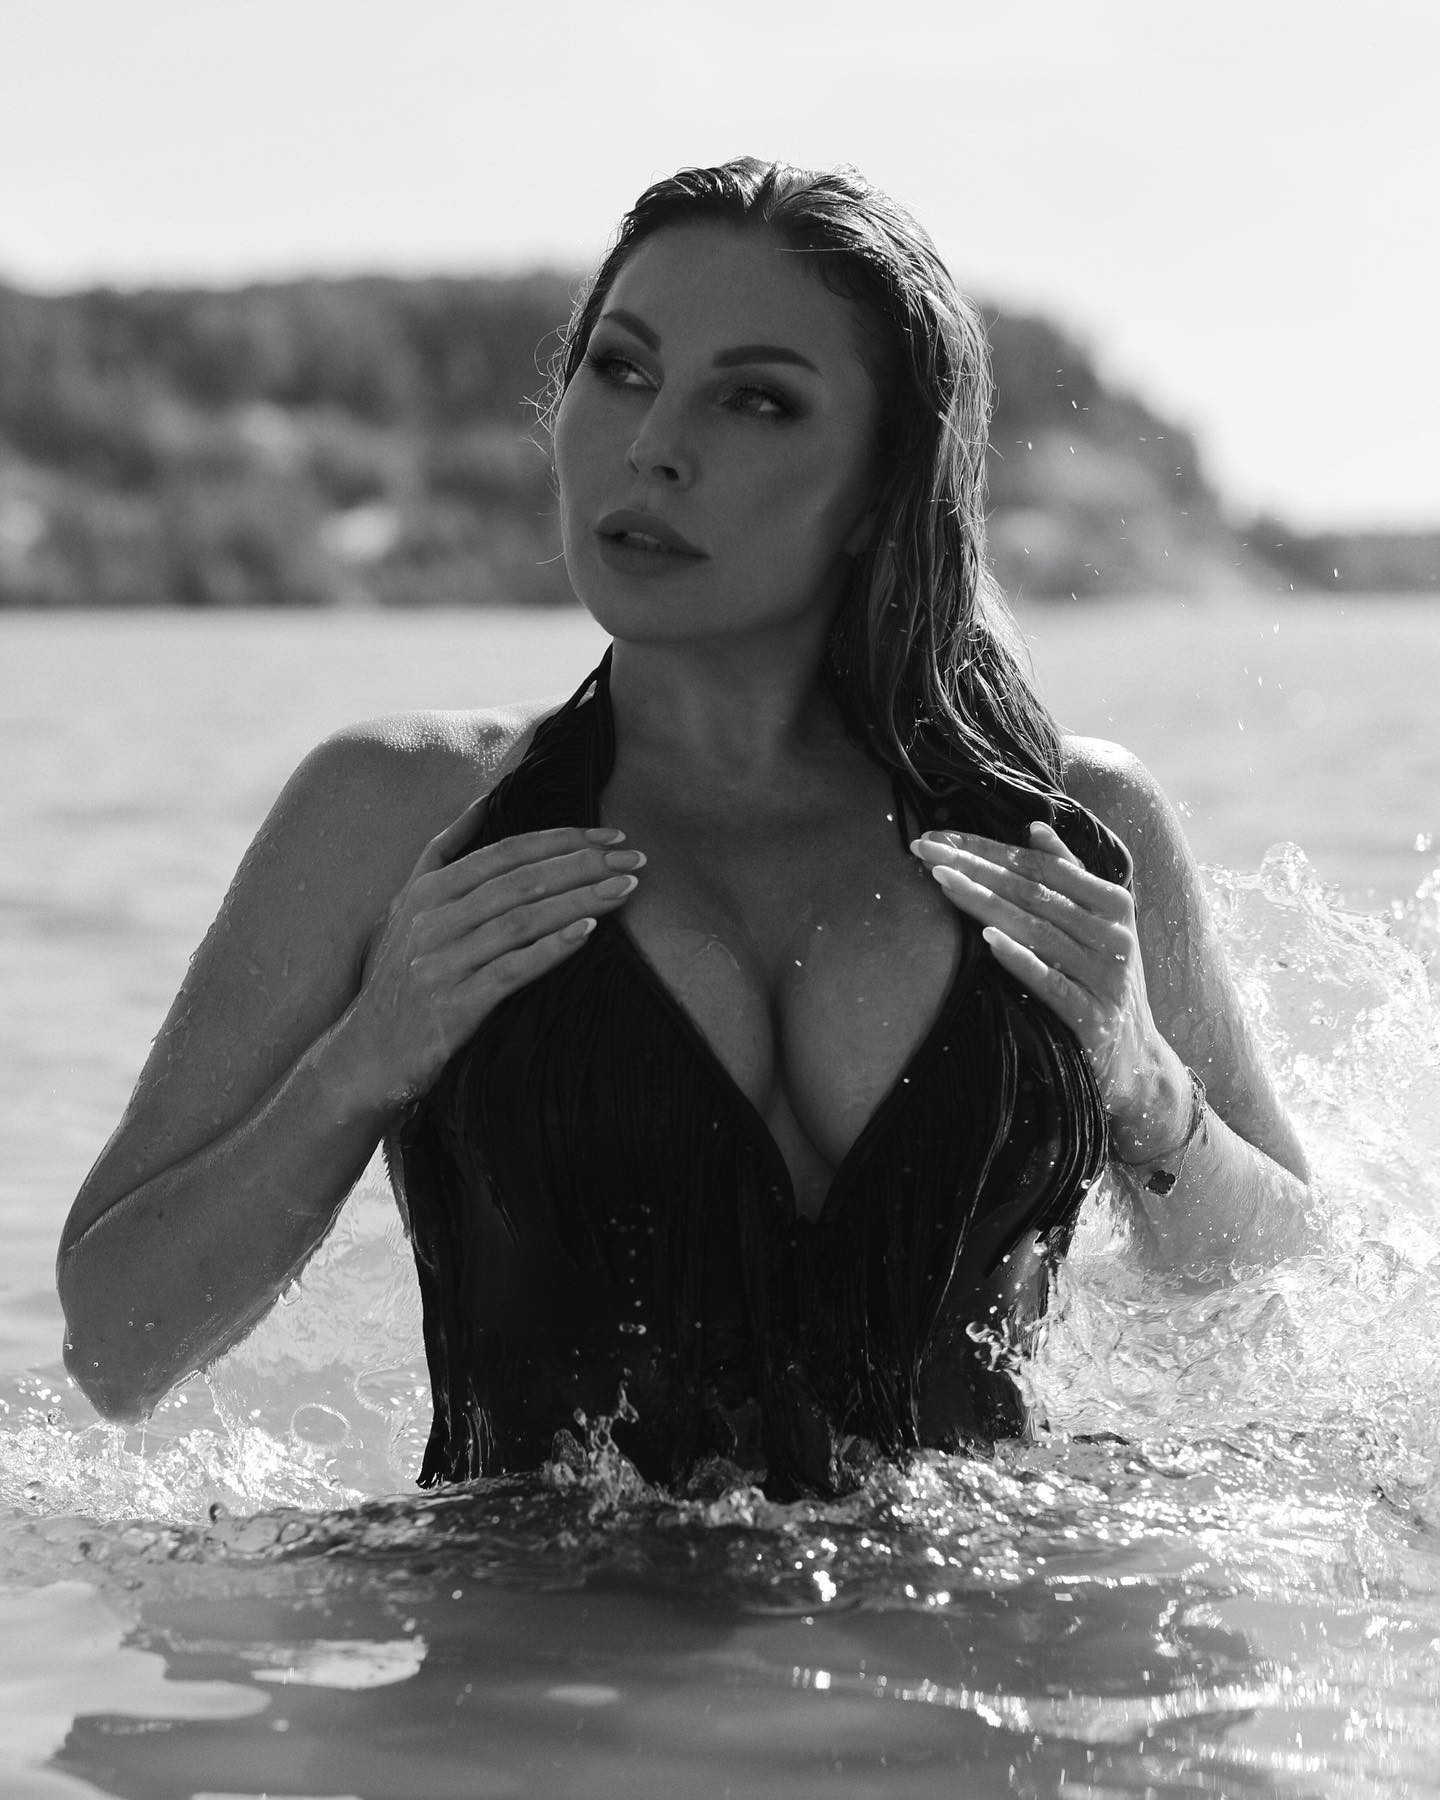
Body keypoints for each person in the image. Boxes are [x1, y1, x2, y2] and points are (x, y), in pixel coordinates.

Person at [57, 158, 1311, 1498]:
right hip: (541, 1626)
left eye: (755, 400)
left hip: (982, 1619)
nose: (654, 444)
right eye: (621, 369)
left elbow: (1275, 1283)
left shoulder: (1078, 827)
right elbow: (116, 1348)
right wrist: (365, 1059)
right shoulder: (399, 811)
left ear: (884, 482)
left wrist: (1141, 1080)